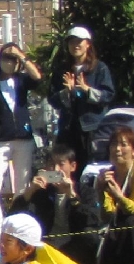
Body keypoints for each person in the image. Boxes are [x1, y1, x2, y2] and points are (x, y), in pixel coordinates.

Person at [89, 125, 134, 264]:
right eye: (114, 144)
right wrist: (101, 191)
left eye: (123, 144)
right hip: (117, 224)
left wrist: (119, 196)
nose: (117, 149)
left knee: (133, 222)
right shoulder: (108, 174)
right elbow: (107, 214)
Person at [0, 42, 43, 201]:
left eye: (13, 59)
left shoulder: (22, 80)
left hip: (23, 139)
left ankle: (19, 214)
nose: (10, 62)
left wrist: (22, 56)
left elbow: (37, 78)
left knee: (22, 183)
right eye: (6, 57)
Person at [48, 26, 114, 162]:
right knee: (66, 164)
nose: (75, 45)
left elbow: (108, 95)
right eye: (71, 42)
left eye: (79, 42)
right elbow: (52, 99)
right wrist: (66, 92)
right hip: (67, 127)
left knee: (90, 164)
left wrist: (87, 90)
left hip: (92, 128)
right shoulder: (62, 69)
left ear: (88, 44)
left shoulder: (99, 68)